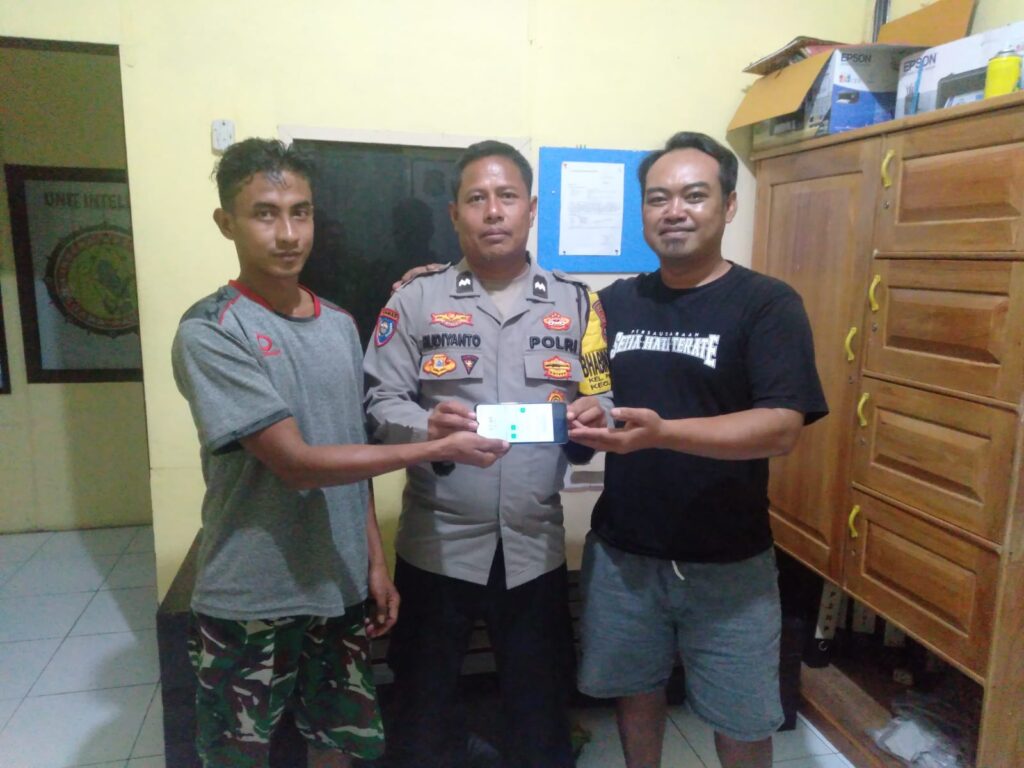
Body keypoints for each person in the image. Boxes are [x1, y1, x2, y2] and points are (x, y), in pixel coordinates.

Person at [171, 137, 508, 768]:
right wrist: (435, 445)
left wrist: (373, 563)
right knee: (239, 755)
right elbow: (297, 464)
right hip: (251, 593)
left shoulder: (337, 324)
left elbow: (351, 454)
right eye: (265, 214)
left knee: (340, 744)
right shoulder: (212, 330)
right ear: (226, 223)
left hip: (338, 586)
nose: (288, 233)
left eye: (300, 212)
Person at [567, 132, 828, 768]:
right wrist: (586, 411)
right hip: (625, 553)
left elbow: (781, 427)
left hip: (729, 562)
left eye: (694, 195)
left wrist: (665, 433)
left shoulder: (766, 304)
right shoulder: (613, 303)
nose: (674, 211)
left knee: (743, 716)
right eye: (658, 198)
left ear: (728, 205)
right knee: (635, 691)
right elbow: (594, 392)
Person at [363, 140, 609, 768]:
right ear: (454, 214)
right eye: (476, 198)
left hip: (534, 546)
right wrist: (426, 426)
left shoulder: (578, 303)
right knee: (421, 710)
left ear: (531, 208)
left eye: (507, 197)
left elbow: (602, 396)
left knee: (540, 711)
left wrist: (595, 417)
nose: (493, 211)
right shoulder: (415, 300)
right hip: (437, 546)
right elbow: (379, 403)